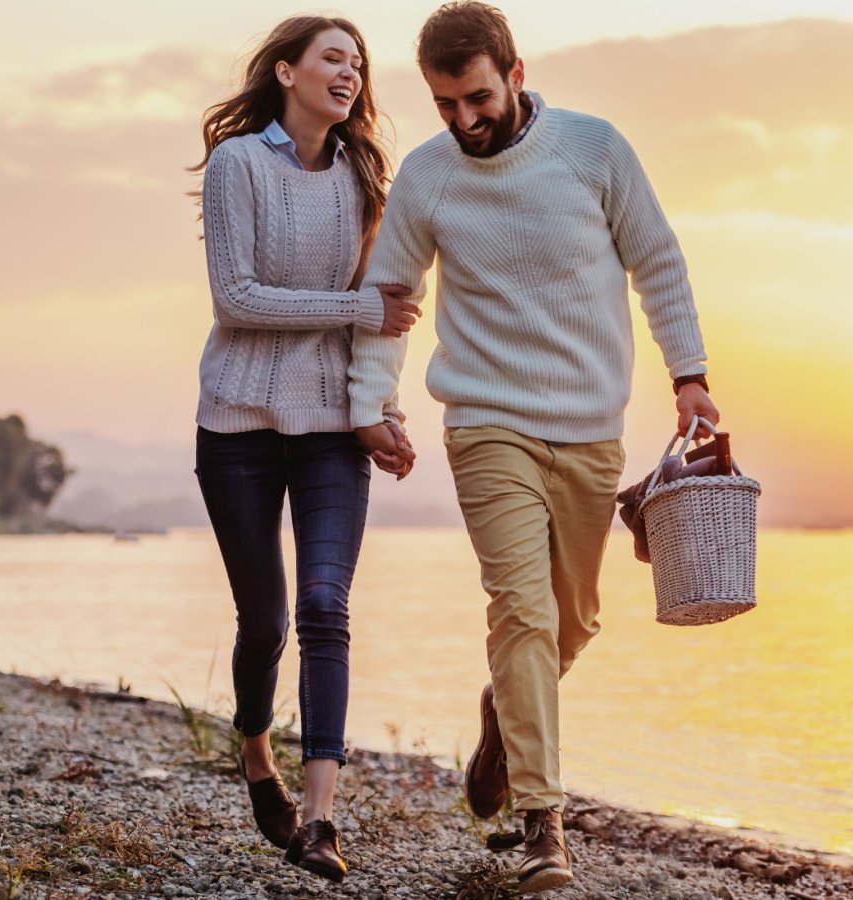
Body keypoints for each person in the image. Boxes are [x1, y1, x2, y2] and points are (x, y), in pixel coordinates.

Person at [348, 2, 720, 892]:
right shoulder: (430, 179)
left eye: (477, 98)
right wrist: (374, 404)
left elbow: (657, 261)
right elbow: (388, 294)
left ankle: (503, 713)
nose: (464, 121)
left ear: (515, 74)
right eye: (445, 105)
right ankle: (544, 822)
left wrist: (691, 376)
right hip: (486, 424)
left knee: (573, 620)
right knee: (521, 611)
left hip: (591, 428)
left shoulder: (594, 150)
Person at [187, 14, 417, 884]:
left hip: (330, 433)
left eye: (358, 62)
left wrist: (381, 410)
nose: (350, 71)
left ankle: (319, 821)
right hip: (237, 426)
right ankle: (255, 755)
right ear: (287, 71)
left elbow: (388, 313)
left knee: (325, 606)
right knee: (266, 621)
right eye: (333, 57)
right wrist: (359, 311)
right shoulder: (238, 164)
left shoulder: (363, 177)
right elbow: (237, 298)